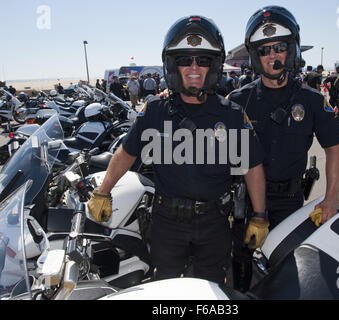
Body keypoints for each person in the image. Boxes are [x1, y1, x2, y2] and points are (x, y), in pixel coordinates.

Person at [87, 15, 267, 285]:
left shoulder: (232, 115)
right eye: (185, 59)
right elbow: (126, 153)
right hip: (166, 223)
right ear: (173, 65)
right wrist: (103, 192)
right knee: (165, 288)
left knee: (212, 288)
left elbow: (253, 166)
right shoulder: (155, 112)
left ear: (214, 66)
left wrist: (260, 216)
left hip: (213, 222)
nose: (194, 67)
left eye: (203, 60)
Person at [228, 5, 339, 292]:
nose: (273, 56)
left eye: (279, 47)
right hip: (244, 200)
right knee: (240, 263)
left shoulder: (313, 101)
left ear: (290, 51)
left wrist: (331, 197)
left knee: (286, 270)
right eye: (265, 50)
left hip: (290, 200)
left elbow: (334, 148)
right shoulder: (237, 99)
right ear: (256, 56)